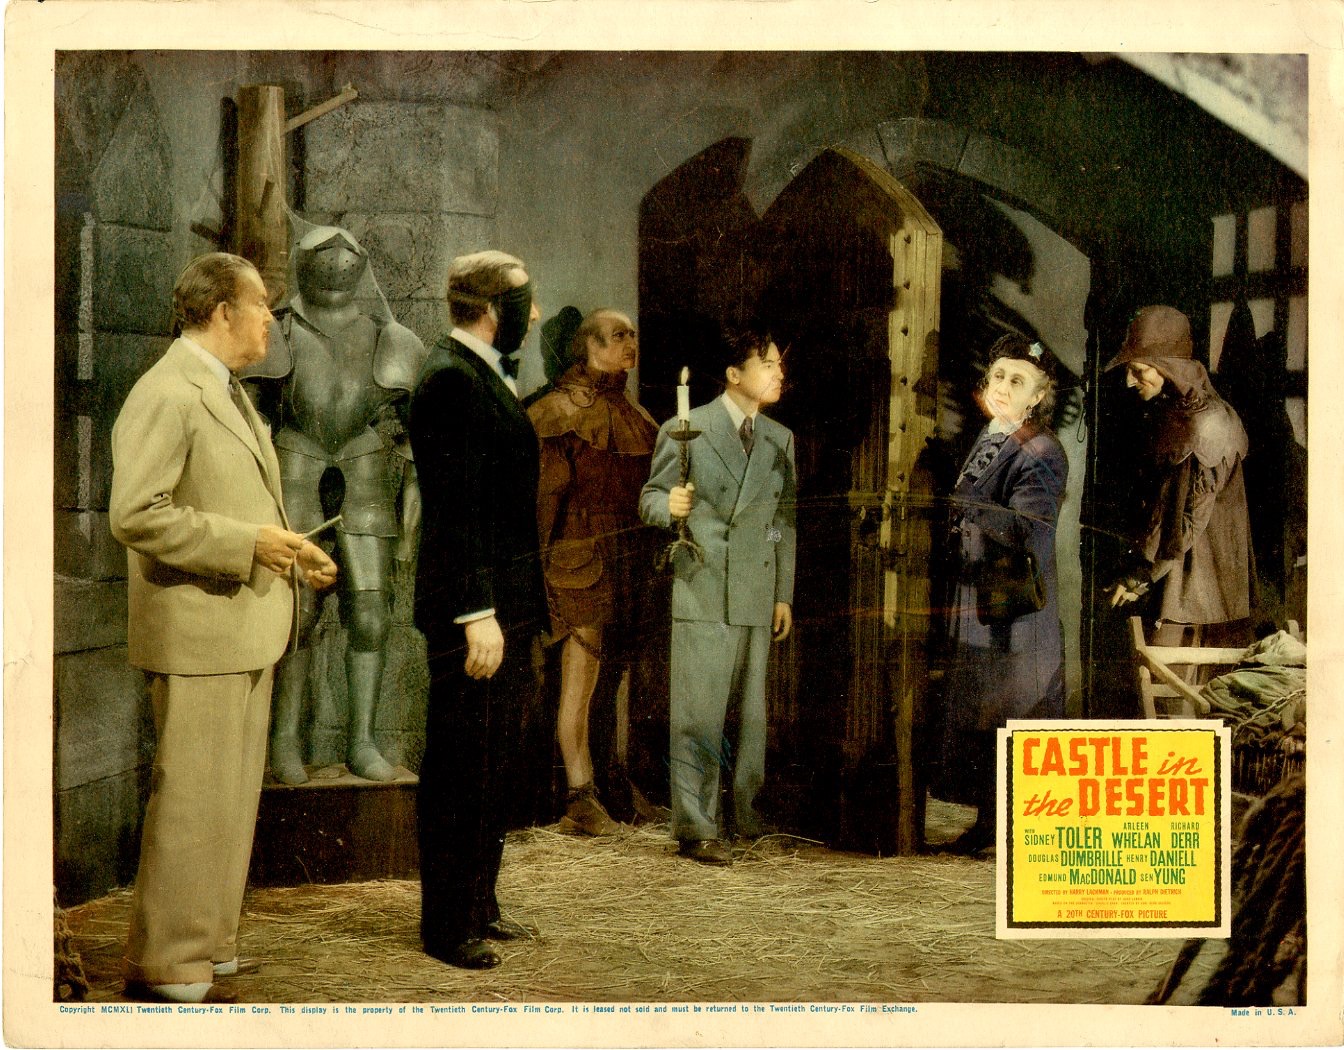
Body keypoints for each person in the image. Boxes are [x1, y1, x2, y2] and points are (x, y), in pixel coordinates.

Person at [109, 253, 338, 1003]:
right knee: (193, 801)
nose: (271, 318)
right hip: (197, 633)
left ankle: (210, 946)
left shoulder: (224, 390)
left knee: (229, 801)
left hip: (238, 627)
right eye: (261, 304)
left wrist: (290, 549)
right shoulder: (168, 391)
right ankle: (170, 962)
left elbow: (232, 499)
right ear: (221, 312)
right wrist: (248, 545)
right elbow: (135, 514)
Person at [242, 225, 427, 785]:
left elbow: (416, 438)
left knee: (370, 615)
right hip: (294, 464)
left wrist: (412, 509)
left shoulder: (390, 337)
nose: (336, 261)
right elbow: (250, 421)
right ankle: (284, 739)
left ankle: (362, 740)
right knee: (297, 614)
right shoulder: (279, 331)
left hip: (364, 471)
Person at [408, 250, 545, 969]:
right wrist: (475, 612)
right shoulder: (450, 381)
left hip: (503, 604)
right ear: (492, 311)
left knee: (492, 763)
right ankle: (446, 925)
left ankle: (478, 904)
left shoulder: (480, 372)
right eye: (525, 303)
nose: (536, 315)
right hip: (476, 612)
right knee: (462, 766)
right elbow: (455, 511)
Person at [638, 326, 796, 866]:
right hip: (703, 586)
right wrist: (668, 508)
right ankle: (696, 826)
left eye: (779, 365)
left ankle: (746, 815)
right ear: (734, 374)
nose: (779, 373)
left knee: (751, 717)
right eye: (768, 364)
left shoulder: (779, 438)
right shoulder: (687, 430)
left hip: (756, 588)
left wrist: (782, 592)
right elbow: (650, 497)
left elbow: (783, 522)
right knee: (698, 714)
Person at [528, 309, 658, 836]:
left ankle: (609, 785)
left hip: (624, 558)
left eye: (632, 334)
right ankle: (579, 798)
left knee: (610, 680)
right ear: (587, 347)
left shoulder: (632, 413)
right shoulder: (557, 412)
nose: (630, 343)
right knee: (579, 682)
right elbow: (544, 504)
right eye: (617, 336)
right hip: (575, 559)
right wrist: (536, 575)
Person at [939, 334, 1068, 855]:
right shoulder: (992, 435)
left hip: (1015, 607)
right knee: (986, 715)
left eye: (1018, 381)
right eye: (998, 376)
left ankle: (1022, 835)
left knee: (1016, 714)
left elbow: (1030, 528)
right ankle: (990, 827)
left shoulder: (1042, 449)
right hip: (981, 601)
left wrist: (968, 504)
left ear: (1037, 396)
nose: (1003, 387)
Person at [1105, 305, 1253, 644]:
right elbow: (1166, 505)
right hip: (1177, 576)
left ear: (1167, 367)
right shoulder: (1178, 413)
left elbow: (1189, 522)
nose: (1129, 381)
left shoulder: (1209, 423)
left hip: (1198, 587)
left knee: (1174, 672)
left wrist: (1141, 576)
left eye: (1139, 370)